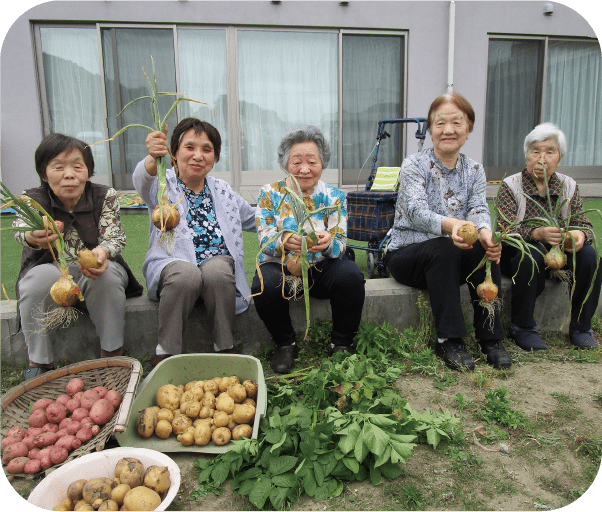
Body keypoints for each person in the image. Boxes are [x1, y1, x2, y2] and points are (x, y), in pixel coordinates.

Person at [384, 92, 511, 371]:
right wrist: (454, 225)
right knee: (443, 248)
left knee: (486, 250)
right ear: (430, 129)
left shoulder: (475, 169)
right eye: (440, 123)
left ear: (469, 128)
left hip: (451, 254)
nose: (448, 130)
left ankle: (491, 338)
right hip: (407, 255)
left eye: (457, 122)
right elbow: (416, 212)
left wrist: (485, 232)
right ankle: (449, 340)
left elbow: (478, 208)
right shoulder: (413, 165)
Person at [16, 133, 143, 381]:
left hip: (97, 267)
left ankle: (112, 354)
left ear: (87, 171)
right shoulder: (32, 199)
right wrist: (34, 235)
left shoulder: (105, 195)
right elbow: (22, 230)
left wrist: (103, 252)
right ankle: (40, 363)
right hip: (51, 271)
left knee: (105, 276)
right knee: (36, 280)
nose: (69, 174)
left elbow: (115, 236)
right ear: (44, 173)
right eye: (58, 167)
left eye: (77, 166)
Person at [133, 118, 256, 367]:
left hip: (216, 263)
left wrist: (286, 220)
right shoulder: (163, 184)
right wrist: (150, 159)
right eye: (189, 147)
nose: (198, 156)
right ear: (174, 153)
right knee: (185, 274)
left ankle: (224, 348)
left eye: (207, 149)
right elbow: (142, 181)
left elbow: (254, 219)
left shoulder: (222, 190)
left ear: (215, 157)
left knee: (219, 270)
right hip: (172, 263)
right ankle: (165, 354)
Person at [251, 126, 365, 374]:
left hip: (320, 267)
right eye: (297, 162)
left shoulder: (334, 197)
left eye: (312, 162)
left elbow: (341, 241)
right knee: (264, 285)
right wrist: (283, 241)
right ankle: (285, 343)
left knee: (351, 275)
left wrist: (328, 243)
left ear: (322, 163)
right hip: (282, 267)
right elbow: (265, 239)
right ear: (285, 163)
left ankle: (341, 343)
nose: (304, 169)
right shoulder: (269, 193)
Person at [497, 123, 600, 350]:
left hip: (559, 251)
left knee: (590, 256)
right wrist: (535, 233)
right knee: (531, 254)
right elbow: (504, 229)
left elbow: (583, 224)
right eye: (535, 151)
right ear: (527, 156)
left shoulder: (568, 185)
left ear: (559, 158)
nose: (541, 159)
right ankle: (523, 328)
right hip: (519, 253)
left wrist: (578, 235)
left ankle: (581, 327)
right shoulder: (511, 185)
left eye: (549, 152)